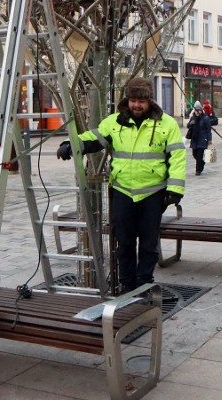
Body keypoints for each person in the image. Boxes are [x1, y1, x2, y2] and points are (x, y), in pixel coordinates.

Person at [56, 78, 186, 293]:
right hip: (123, 191)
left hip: (153, 193)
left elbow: (178, 157)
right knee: (124, 241)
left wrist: (175, 189)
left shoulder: (167, 124)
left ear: (150, 101)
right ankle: (127, 284)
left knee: (148, 242)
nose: (137, 105)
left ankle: (144, 282)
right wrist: (71, 144)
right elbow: (93, 138)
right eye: (133, 100)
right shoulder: (114, 122)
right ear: (128, 99)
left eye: (141, 101)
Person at [187, 101, 212, 175]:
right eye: (195, 110)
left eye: (198, 111)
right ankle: (202, 163)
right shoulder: (193, 117)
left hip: (202, 139)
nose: (197, 112)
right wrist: (190, 123)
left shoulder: (205, 118)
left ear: (201, 110)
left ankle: (198, 170)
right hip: (194, 139)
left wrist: (209, 139)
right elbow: (188, 126)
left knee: (199, 156)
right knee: (194, 154)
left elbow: (208, 130)